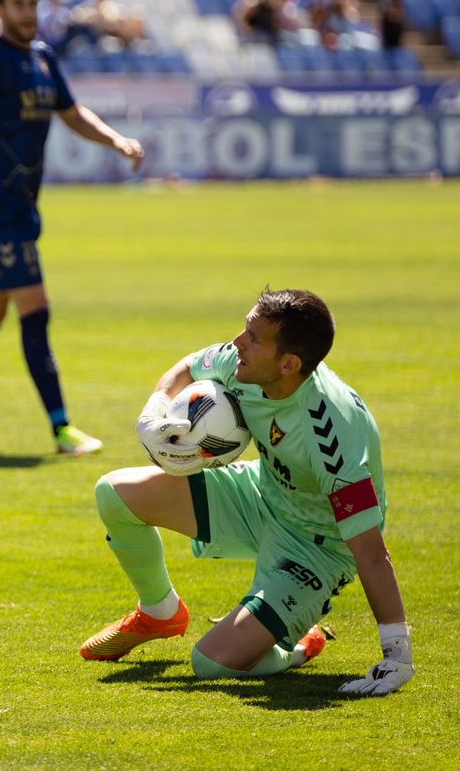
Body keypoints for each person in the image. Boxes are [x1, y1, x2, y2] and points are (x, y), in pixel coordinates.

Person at [79, 290, 414, 698]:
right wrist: (155, 408)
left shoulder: (335, 434)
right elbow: (187, 366)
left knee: (210, 663)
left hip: (318, 547)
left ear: (288, 364)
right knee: (114, 493)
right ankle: (158, 612)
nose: (238, 342)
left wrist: (396, 652)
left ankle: (297, 645)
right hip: (260, 493)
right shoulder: (245, 365)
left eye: (254, 338)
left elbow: (370, 551)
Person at [0, 0, 144, 454]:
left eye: (32, 3)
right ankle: (62, 428)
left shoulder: (43, 58)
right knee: (36, 311)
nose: (27, 11)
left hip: (21, 205)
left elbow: (72, 111)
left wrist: (114, 139)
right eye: (18, 4)